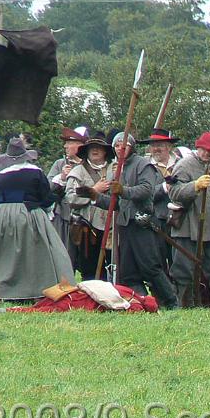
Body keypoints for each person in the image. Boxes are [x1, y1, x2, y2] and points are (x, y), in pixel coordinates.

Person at [78, 132, 178, 309]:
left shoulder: (143, 165)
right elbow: (118, 204)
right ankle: (142, 304)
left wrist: (124, 190)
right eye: (116, 146)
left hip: (143, 224)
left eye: (123, 146)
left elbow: (147, 190)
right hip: (125, 225)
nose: (119, 149)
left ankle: (171, 302)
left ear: (132, 147)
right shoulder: (118, 169)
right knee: (129, 272)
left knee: (151, 268)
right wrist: (95, 197)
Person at [0, 138, 76, 301]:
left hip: (1, 217)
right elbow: (44, 197)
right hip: (27, 214)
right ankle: (37, 289)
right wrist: (56, 195)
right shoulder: (34, 172)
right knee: (37, 252)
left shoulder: (0, 175)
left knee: (7, 255)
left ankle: (4, 292)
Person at [168, 132, 210, 309]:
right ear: (198, 147)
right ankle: (182, 306)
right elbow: (174, 193)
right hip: (188, 226)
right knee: (183, 270)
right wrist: (193, 186)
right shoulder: (184, 165)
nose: (207, 154)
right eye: (204, 150)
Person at [64, 132, 115, 280]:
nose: (95, 150)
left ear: (105, 151)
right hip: (87, 228)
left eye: (99, 147)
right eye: (92, 147)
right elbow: (71, 198)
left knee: (115, 264)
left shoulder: (116, 169)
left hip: (112, 226)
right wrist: (94, 191)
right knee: (89, 268)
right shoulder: (78, 172)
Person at [140, 128, 181, 271]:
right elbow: (144, 192)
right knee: (159, 266)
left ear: (169, 147)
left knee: (181, 264)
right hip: (156, 222)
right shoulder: (144, 167)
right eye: (153, 145)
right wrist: (164, 187)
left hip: (181, 221)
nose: (156, 148)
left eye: (160, 144)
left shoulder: (181, 164)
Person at [48, 126, 88, 266]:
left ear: (81, 145)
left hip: (87, 219)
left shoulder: (90, 166)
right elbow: (48, 190)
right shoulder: (59, 165)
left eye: (69, 142)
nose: (65, 146)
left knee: (87, 263)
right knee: (63, 260)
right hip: (64, 219)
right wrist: (62, 178)